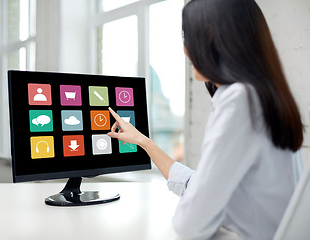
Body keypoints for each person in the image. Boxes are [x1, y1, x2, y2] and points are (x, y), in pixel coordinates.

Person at [108, 0, 304, 239]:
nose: (185, 49)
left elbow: (191, 223)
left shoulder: (240, 101)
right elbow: (201, 185)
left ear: (214, 39)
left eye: (188, 36)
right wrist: (143, 141)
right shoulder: (263, 94)